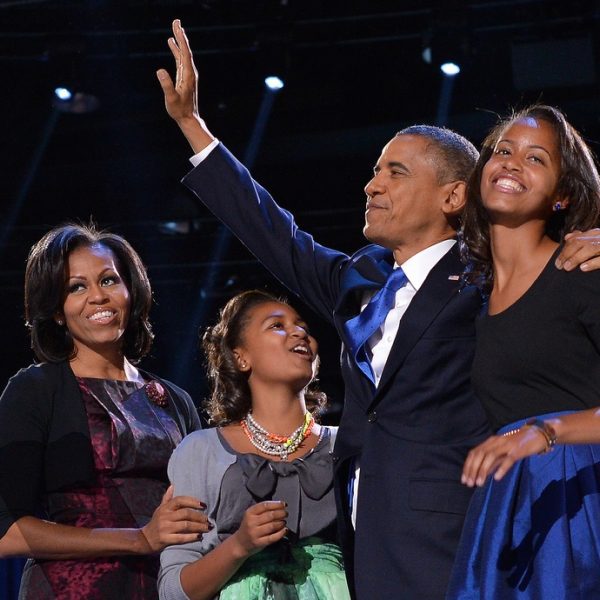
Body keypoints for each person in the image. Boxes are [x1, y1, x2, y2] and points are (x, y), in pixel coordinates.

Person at [155, 20, 600, 598]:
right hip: (364, 542)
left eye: (395, 172)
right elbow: (272, 232)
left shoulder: (487, 277)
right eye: (374, 170)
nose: (371, 185)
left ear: (452, 195)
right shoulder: (357, 279)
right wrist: (193, 125)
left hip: (457, 534)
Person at [0, 223, 209, 599]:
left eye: (109, 280)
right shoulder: (34, 391)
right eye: (76, 287)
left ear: (131, 291)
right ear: (58, 312)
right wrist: (139, 539)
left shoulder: (176, 400)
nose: (97, 296)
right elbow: (6, 533)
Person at [444, 105, 600, 598]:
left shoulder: (582, 270)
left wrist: (549, 432)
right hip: (513, 504)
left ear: (563, 195)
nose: (511, 163)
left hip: (582, 501)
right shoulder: (476, 302)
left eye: (536, 158)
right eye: (503, 151)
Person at [158, 290, 350, 599]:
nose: (299, 331)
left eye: (302, 326)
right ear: (240, 357)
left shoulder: (347, 445)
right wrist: (240, 546)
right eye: (277, 325)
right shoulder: (201, 451)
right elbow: (173, 591)